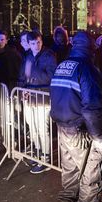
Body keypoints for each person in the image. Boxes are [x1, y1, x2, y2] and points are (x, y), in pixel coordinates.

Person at [50, 31, 102, 202]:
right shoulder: (87, 69)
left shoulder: (62, 66)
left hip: (63, 128)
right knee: (91, 177)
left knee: (70, 171)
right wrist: (99, 138)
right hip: (81, 131)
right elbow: (91, 108)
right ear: (91, 49)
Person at [19, 30, 57, 174]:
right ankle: (38, 152)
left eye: (39, 42)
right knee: (32, 127)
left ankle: (46, 158)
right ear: (29, 44)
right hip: (30, 97)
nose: (36, 46)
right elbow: (22, 76)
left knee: (42, 127)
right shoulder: (27, 56)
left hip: (43, 97)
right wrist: (23, 89)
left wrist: (33, 77)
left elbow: (51, 75)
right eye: (33, 43)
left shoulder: (49, 55)